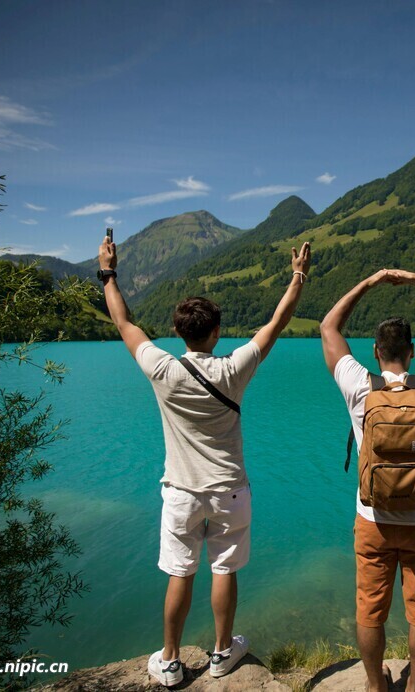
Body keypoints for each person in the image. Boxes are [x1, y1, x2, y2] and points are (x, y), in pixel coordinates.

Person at [98, 235, 312, 687]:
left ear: (179, 332)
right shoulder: (233, 370)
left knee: (180, 571)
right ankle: (221, 653)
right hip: (230, 490)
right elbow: (276, 323)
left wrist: (108, 273)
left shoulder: (162, 369)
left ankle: (171, 661)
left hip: (180, 491)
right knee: (224, 568)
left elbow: (123, 321)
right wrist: (297, 275)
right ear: (215, 332)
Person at [321, 269, 415, 692]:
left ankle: (375, 685)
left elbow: (328, 325)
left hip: (373, 520)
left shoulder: (359, 386)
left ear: (375, 351)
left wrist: (368, 282)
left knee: (370, 610)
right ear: (413, 352)